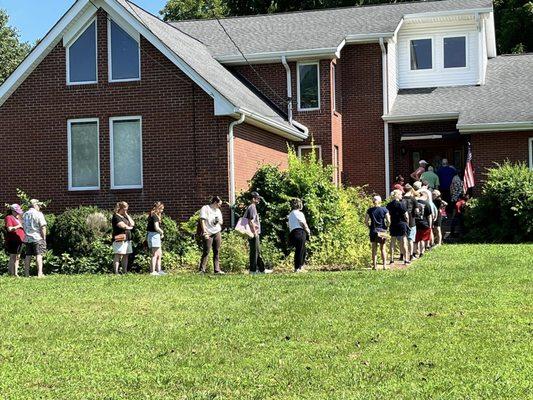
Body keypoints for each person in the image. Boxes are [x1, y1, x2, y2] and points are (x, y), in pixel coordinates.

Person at [245, 192, 272, 274]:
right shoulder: (252, 207)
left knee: (257, 251)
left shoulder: (252, 207)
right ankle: (252, 270)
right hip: (253, 233)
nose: (259, 199)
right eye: (258, 198)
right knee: (254, 252)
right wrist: (254, 232)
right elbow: (250, 221)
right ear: (253, 199)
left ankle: (262, 269)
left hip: (254, 233)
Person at [198, 196, 225, 275]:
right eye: (219, 204)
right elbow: (202, 220)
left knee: (216, 251)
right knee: (206, 251)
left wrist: (218, 221)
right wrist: (204, 232)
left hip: (217, 232)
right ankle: (202, 270)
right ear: (215, 202)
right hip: (208, 233)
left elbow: (221, 222)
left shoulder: (218, 211)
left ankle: (217, 270)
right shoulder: (205, 208)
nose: (220, 206)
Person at [22, 199, 47, 278]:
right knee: (39, 255)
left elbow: (23, 226)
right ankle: (40, 273)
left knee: (28, 255)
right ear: (35, 205)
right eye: (38, 205)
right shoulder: (39, 214)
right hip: (37, 237)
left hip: (27, 238)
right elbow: (43, 227)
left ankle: (26, 274)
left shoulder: (24, 214)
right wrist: (44, 238)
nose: (39, 207)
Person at [365, 195, 391, 270]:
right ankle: (384, 265)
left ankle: (374, 266)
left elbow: (366, 221)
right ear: (380, 201)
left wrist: (369, 226)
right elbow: (388, 220)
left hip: (373, 230)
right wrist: (387, 226)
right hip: (382, 230)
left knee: (374, 248)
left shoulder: (369, 210)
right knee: (383, 248)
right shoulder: (384, 209)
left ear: (373, 201)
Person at [386, 190, 410, 266]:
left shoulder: (389, 205)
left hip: (393, 224)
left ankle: (391, 259)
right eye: (400, 194)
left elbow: (388, 215)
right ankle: (406, 259)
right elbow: (406, 215)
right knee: (404, 241)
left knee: (392, 242)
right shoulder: (401, 204)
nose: (401, 196)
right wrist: (407, 223)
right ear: (396, 195)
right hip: (402, 224)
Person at [287, 198, 311, 272]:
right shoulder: (299, 213)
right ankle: (298, 267)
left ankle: (299, 266)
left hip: (293, 233)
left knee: (301, 249)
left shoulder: (290, 214)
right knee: (301, 250)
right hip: (300, 232)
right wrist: (308, 231)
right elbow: (303, 223)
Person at [112, 201, 134, 275]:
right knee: (118, 254)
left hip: (127, 238)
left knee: (126, 255)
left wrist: (127, 215)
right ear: (120, 208)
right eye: (125, 209)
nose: (126, 210)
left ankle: (125, 271)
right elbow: (122, 225)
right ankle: (116, 272)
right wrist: (129, 228)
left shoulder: (124, 216)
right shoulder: (116, 216)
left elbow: (132, 223)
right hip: (120, 238)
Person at [5, 204, 25, 276]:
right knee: (13, 256)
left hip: (20, 240)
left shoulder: (18, 218)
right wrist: (18, 226)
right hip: (13, 240)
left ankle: (13, 273)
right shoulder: (9, 217)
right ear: (12, 211)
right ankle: (13, 273)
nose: (18, 213)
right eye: (17, 211)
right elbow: (9, 229)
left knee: (17, 257)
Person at [147, 202, 166, 276]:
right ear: (157, 208)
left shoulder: (154, 215)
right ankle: (152, 271)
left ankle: (159, 270)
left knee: (159, 254)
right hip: (153, 235)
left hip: (155, 235)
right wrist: (162, 232)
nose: (162, 211)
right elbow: (156, 227)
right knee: (155, 254)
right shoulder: (154, 216)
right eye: (161, 209)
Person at [402, 184, 420, 260]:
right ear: (411, 190)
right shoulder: (413, 199)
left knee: (403, 239)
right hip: (412, 221)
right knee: (411, 239)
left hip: (402, 221)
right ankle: (411, 255)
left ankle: (402, 255)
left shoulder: (401, 199)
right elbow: (417, 210)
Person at [414, 191, 433, 257]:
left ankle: (415, 252)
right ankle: (421, 253)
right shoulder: (427, 204)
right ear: (425, 196)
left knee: (416, 239)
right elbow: (429, 216)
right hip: (424, 223)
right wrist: (430, 225)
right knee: (422, 239)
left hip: (415, 222)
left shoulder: (415, 203)